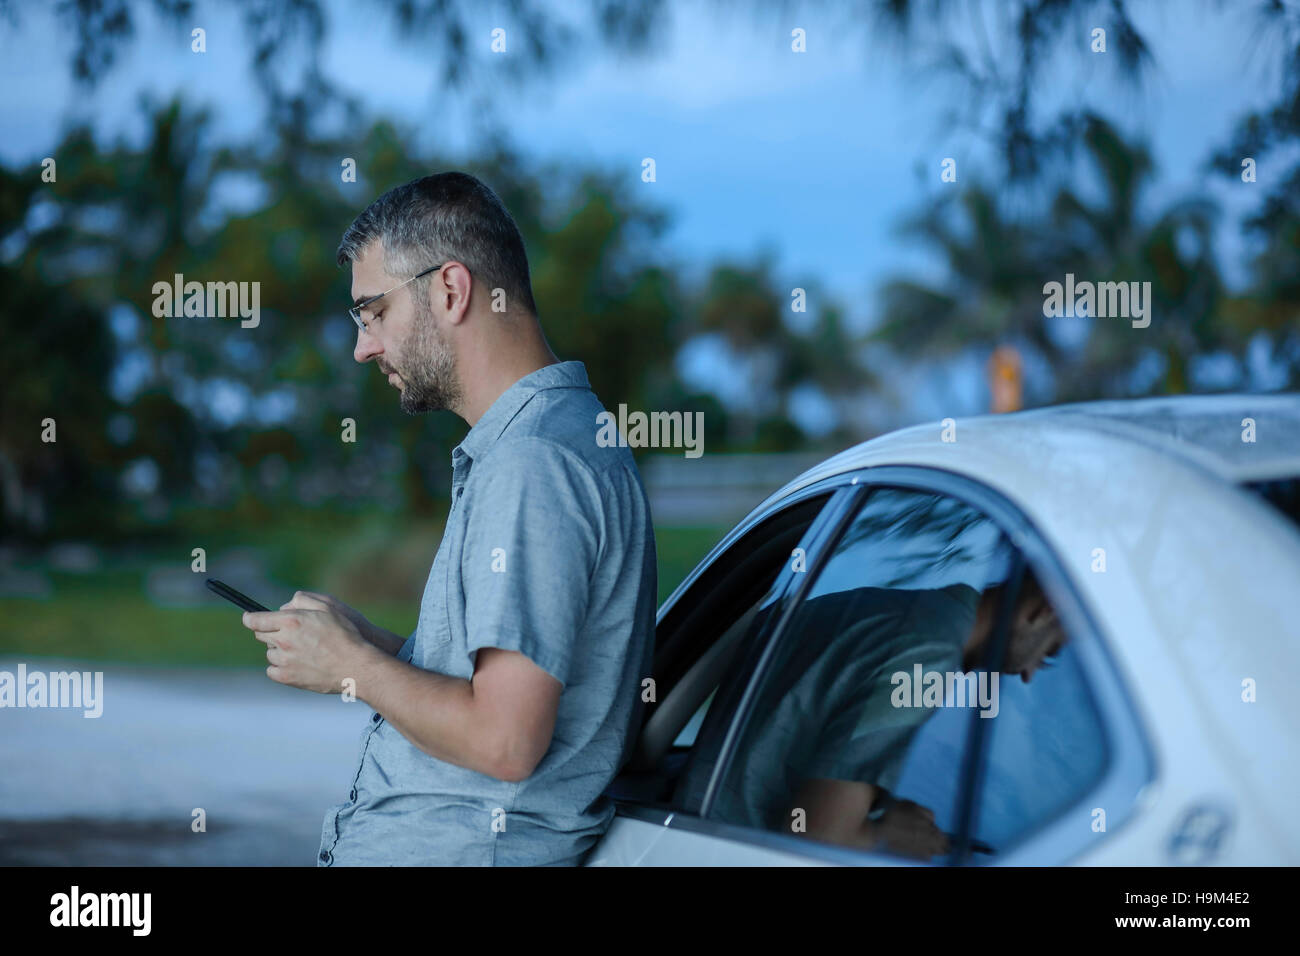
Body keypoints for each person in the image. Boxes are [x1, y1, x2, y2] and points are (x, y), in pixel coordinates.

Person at [240, 172, 657, 866]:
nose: (363, 347)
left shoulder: (533, 464)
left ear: (451, 290)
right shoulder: (547, 441)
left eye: (373, 311)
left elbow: (504, 739)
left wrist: (353, 667)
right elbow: (496, 686)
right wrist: (369, 644)